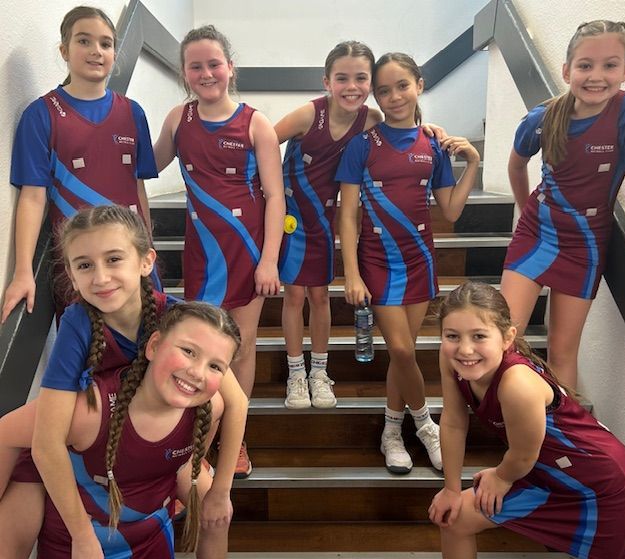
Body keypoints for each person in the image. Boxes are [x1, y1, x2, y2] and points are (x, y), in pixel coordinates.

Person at [0, 205, 248, 559]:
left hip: (144, 436)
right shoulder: (78, 324)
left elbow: (236, 401)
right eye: (85, 265)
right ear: (71, 274)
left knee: (216, 500)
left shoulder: (176, 318)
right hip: (82, 436)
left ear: (146, 262)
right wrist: (82, 537)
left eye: (113, 259)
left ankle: (177, 472)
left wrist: (220, 490)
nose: (101, 278)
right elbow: (45, 441)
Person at [336, 52, 480, 474]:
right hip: (377, 263)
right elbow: (348, 214)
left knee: (405, 356)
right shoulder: (362, 146)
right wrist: (351, 273)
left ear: (419, 85)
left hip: (420, 261)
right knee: (400, 349)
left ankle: (391, 432)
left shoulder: (433, 145)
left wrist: (472, 162)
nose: (395, 96)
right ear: (376, 97)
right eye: (384, 90)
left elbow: (451, 210)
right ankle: (425, 424)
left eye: (402, 86)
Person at [429, 281, 625, 559]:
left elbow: (523, 455)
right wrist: (452, 489)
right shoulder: (451, 359)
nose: (465, 349)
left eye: (479, 336)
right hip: (544, 473)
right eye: (452, 335)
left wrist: (502, 476)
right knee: (455, 518)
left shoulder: (517, 383)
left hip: (602, 485)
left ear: (507, 338)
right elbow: (454, 422)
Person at [154, 24, 285, 478]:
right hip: (202, 255)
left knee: (241, 348)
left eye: (214, 64)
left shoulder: (256, 124)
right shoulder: (178, 120)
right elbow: (147, 163)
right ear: (184, 73)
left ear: (230, 67)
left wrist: (269, 260)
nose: (206, 73)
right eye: (196, 66)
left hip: (248, 253)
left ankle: (234, 437)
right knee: (200, 347)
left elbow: (275, 196)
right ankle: (195, 430)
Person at [501, 20, 625, 390]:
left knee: (562, 352)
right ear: (567, 71)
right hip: (536, 234)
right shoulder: (542, 118)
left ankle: (560, 427)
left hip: (586, 244)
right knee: (503, 340)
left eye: (610, 65)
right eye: (585, 65)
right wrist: (524, 211)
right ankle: (513, 419)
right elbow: (516, 165)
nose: (597, 76)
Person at [2, 6, 161, 323]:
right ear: (64, 50)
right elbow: (32, 198)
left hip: (131, 259)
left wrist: (148, 248)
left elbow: (137, 188)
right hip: (82, 267)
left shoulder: (133, 112)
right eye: (84, 41)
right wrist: (22, 272)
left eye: (105, 43)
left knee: (148, 343)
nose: (96, 51)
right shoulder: (41, 115)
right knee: (87, 348)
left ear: (114, 53)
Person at [274, 41, 382, 410]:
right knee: (294, 297)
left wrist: (428, 128)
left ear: (371, 82)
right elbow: (263, 141)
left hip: (326, 220)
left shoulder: (371, 119)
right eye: (342, 78)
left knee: (320, 297)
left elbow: (404, 127)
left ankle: (319, 372)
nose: (352, 86)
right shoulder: (308, 115)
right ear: (327, 81)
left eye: (361, 78)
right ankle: (296, 373)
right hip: (292, 220)